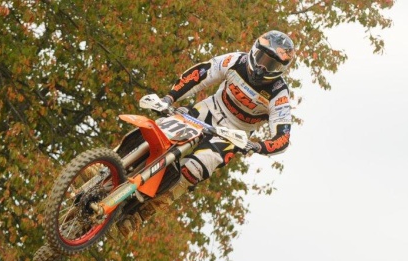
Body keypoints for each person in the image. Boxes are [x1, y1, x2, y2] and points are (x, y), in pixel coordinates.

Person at [117, 29, 296, 237]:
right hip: (206, 111)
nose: (263, 66)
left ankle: (140, 215)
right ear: (254, 50)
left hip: (232, 135)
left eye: (272, 64)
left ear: (281, 69)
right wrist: (169, 99)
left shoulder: (278, 93)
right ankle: (113, 163)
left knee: (194, 169)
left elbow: (282, 136)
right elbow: (201, 74)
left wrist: (258, 146)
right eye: (262, 57)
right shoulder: (235, 61)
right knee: (161, 129)